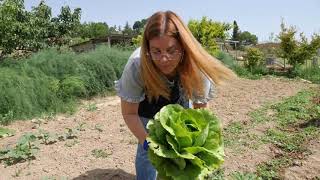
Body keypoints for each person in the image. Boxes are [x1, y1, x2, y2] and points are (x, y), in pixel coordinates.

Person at [115, 10, 236, 180]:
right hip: (146, 108)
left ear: (184, 47)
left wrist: (197, 146)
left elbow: (202, 114)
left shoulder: (197, 67)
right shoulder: (137, 65)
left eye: (172, 51)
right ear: (147, 47)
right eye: (156, 51)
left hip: (178, 108)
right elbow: (129, 113)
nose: (164, 59)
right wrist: (147, 142)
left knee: (180, 160)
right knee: (147, 153)